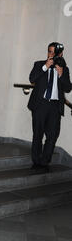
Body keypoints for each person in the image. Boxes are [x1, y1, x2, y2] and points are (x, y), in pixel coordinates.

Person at [28, 42, 71, 170]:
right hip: (40, 105)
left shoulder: (64, 69)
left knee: (52, 136)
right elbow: (32, 78)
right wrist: (45, 67)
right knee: (38, 134)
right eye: (49, 51)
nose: (51, 54)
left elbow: (68, 88)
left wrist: (61, 74)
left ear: (60, 54)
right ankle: (36, 161)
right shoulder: (39, 64)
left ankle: (44, 162)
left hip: (54, 107)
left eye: (54, 52)